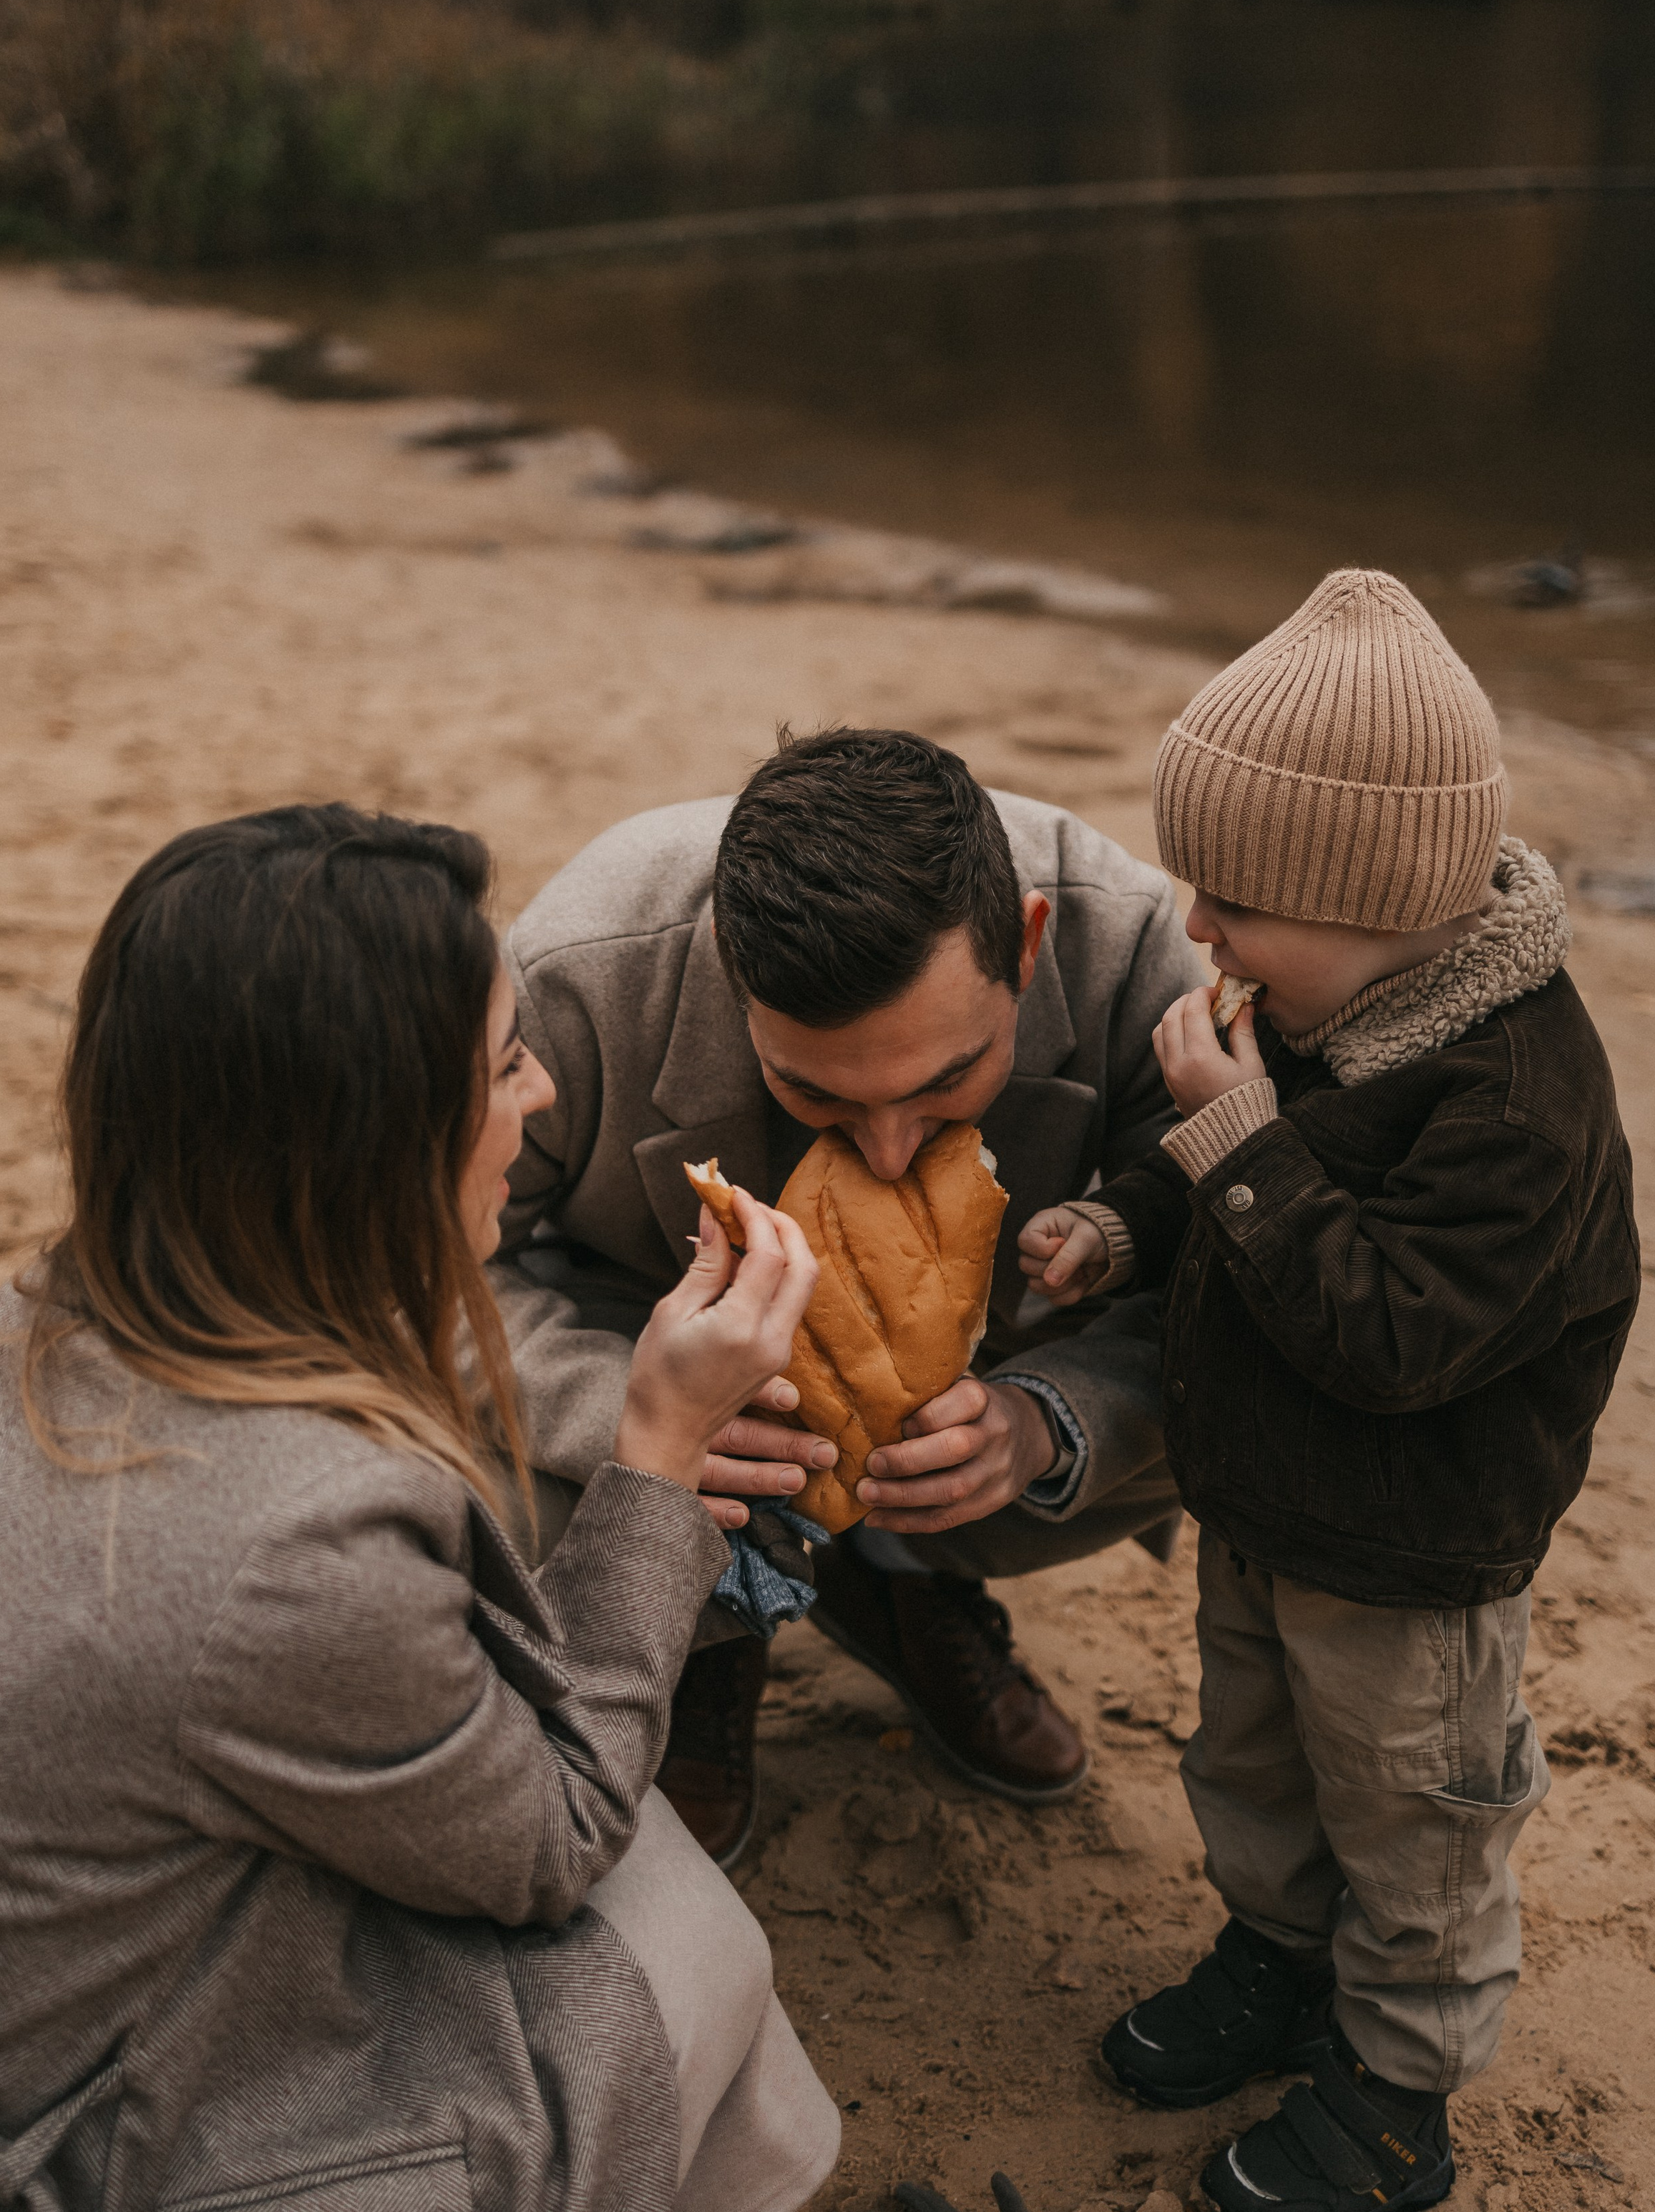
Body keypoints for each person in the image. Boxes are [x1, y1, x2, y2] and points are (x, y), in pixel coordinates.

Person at [0, 805, 840, 2212]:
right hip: (23, 2180)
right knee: (666, 1931)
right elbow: (554, 1834)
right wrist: (659, 1446)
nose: (534, 1104)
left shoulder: (69, 1300)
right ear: (376, 1138)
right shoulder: (290, 1540)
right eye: (508, 1061)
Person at [1019, 569, 1640, 2212]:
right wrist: (1130, 1215)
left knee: (1415, 1813)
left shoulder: (1514, 1098)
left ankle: (1395, 2091)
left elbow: (1392, 1339)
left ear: (1371, 899)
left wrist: (1232, 1147)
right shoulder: (1313, 1009)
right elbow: (1204, 1165)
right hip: (1267, 1505)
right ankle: (1279, 1961)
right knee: (1254, 1760)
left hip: (1412, 1545)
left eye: (1230, 900)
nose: (1197, 930)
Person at [493, 728, 1198, 1862]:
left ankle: (906, 1580)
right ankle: (711, 1631)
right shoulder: (577, 973)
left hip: (978, 1376)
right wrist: (631, 1417)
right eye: (810, 1090)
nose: (884, 1151)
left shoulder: (1130, 944)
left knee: (1253, 1393)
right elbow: (418, 1274)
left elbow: (1236, 1267)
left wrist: (1045, 1424)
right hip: (632, 1342)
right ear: (732, 969)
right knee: (464, 1445)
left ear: (1029, 944)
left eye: (946, 1081)